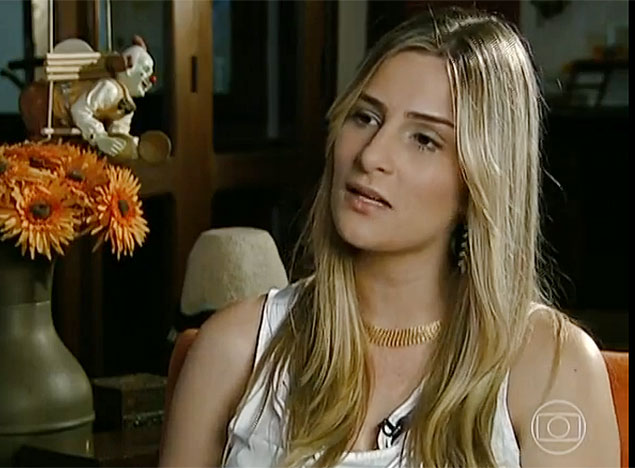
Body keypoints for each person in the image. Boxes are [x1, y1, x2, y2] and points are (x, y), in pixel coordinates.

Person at [159, 7, 619, 468]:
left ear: (479, 182)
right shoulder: (233, 350)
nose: (371, 155)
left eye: (424, 139)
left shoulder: (552, 368)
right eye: (365, 117)